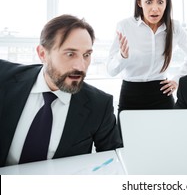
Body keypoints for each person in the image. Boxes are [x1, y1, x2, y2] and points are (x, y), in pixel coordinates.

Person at [0, 15, 122, 167]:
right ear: (43, 54)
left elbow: (114, 161)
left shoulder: (100, 105)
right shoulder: (4, 77)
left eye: (86, 55)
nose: (80, 66)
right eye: (70, 54)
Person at [107, 0, 187, 112]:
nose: (155, 9)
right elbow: (111, 70)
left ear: (167, 3)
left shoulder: (175, 27)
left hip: (162, 94)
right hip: (131, 95)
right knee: (128, 133)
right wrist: (122, 56)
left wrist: (177, 79)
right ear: (139, 2)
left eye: (160, 2)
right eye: (148, 2)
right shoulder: (124, 26)